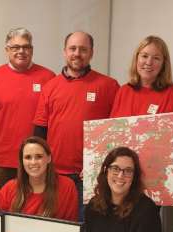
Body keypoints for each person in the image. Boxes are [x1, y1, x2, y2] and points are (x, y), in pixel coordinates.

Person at [33, 31, 119, 221]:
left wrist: (98, 165)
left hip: (90, 176)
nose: (77, 53)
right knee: (57, 228)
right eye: (72, 48)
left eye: (83, 49)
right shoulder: (50, 87)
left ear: (91, 53)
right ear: (64, 52)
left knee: (88, 231)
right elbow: (40, 131)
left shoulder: (109, 86)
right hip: (55, 175)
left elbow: (116, 133)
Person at [0, 28, 56, 187]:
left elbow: (53, 117)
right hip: (5, 157)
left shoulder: (49, 77)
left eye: (26, 47)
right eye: (16, 47)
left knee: (35, 204)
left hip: (37, 157)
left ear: (32, 49)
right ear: (7, 50)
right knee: (5, 204)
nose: (21, 51)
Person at [0, 136, 78, 221]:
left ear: (49, 158)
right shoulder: (8, 189)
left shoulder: (67, 186)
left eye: (39, 156)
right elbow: (2, 228)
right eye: (28, 157)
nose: (33, 162)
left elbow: (72, 229)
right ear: (22, 161)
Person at [110, 35, 173, 118]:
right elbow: (112, 128)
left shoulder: (171, 94)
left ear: (163, 64)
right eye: (144, 56)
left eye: (156, 58)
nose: (149, 62)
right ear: (137, 59)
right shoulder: (123, 91)